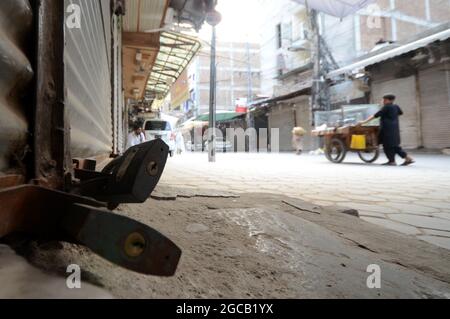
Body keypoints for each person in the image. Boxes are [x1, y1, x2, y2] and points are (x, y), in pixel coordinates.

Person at [358, 94, 415, 166]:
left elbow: (375, 115)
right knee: (394, 146)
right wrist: (392, 118)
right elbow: (400, 113)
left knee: (387, 146)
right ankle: (407, 158)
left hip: (386, 129)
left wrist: (363, 122)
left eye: (384, 99)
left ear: (387, 100)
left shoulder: (386, 107)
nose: (383, 101)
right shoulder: (396, 106)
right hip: (395, 129)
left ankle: (392, 161)